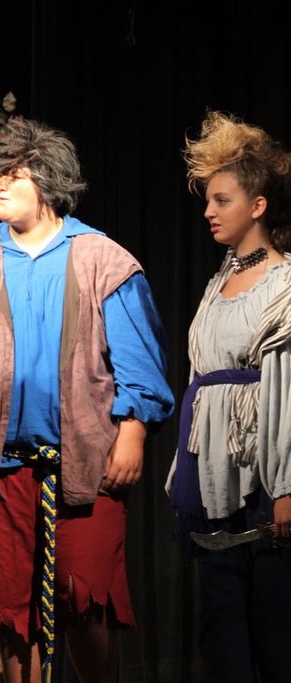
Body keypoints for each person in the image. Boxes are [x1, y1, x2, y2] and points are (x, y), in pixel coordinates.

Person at [0, 118, 173, 683]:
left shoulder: (104, 260)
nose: (1, 183)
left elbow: (138, 360)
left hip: (86, 462)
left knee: (85, 597)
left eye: (16, 174)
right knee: (12, 605)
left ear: (50, 181)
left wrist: (132, 432)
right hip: (0, 467)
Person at [167, 111, 291, 682]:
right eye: (208, 201)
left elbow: (285, 390)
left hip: (263, 476)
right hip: (213, 474)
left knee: (274, 632)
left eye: (222, 201)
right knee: (220, 633)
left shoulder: (284, 284)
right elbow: (201, 381)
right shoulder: (217, 284)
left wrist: (286, 486)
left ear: (257, 206)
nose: (209, 212)